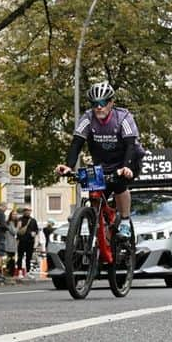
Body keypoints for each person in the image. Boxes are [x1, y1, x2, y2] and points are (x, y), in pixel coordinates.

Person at [55, 81, 144, 239]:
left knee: (119, 183)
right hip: (103, 164)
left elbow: (130, 145)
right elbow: (76, 143)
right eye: (94, 103)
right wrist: (68, 166)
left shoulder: (123, 117)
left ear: (111, 103)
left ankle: (124, 221)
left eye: (103, 103)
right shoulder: (88, 118)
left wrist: (126, 167)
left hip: (128, 160)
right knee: (94, 193)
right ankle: (98, 229)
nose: (99, 107)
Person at [16, 206, 39, 278]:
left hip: (30, 241)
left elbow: (36, 230)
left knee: (29, 257)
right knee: (20, 256)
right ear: (24, 211)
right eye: (26, 210)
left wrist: (34, 233)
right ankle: (20, 271)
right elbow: (17, 230)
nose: (28, 212)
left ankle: (28, 272)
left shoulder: (33, 220)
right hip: (22, 240)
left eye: (29, 210)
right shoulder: (20, 219)